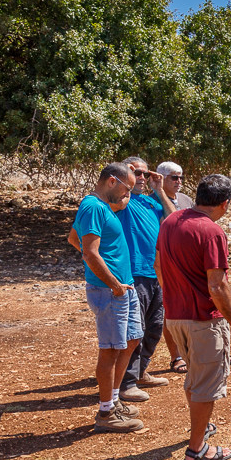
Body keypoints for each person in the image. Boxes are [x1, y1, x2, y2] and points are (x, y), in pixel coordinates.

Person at [155, 174, 231, 460]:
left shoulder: (171, 221)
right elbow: (217, 286)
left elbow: (158, 265)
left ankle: (200, 430)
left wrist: (173, 296)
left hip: (175, 317)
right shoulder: (211, 232)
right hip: (203, 319)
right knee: (206, 383)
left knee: (195, 377)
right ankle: (197, 449)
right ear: (225, 203)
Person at [67, 162, 145, 433]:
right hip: (112, 290)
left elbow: (73, 239)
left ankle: (113, 399)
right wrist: (112, 283)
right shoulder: (92, 206)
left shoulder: (101, 208)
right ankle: (106, 412)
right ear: (112, 181)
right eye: (127, 188)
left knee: (132, 339)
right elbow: (88, 250)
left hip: (122, 287)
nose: (129, 195)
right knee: (111, 349)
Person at [115, 157, 178, 403]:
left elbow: (175, 220)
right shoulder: (123, 200)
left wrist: (160, 190)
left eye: (144, 173)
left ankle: (140, 371)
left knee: (155, 326)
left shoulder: (151, 203)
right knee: (135, 330)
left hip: (157, 273)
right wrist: (126, 177)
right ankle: (126, 383)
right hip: (133, 273)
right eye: (136, 173)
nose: (142, 177)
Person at [155, 161, 195, 374]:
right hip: (162, 263)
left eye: (180, 177)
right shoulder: (151, 201)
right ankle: (176, 357)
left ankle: (193, 353)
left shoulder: (186, 200)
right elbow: (173, 220)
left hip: (186, 263)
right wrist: (160, 192)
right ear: (161, 178)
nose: (179, 182)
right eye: (174, 177)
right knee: (168, 312)